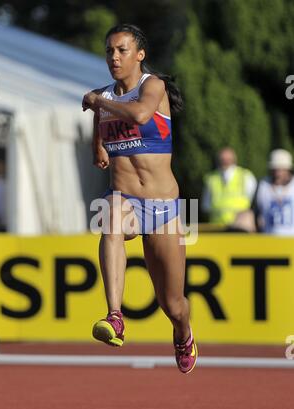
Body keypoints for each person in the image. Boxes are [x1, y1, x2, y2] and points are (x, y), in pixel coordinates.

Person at [82, 24, 197, 374]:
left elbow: (141, 115)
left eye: (121, 50)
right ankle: (115, 317)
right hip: (125, 199)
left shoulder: (153, 87)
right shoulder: (104, 98)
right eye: (109, 51)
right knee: (110, 219)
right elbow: (98, 145)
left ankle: (183, 332)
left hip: (164, 207)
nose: (113, 57)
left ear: (139, 55)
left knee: (172, 303)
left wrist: (98, 101)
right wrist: (100, 148)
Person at [201, 147, 257, 229]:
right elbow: (206, 206)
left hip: (239, 227)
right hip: (217, 226)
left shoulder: (246, 176)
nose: (225, 162)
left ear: (234, 160)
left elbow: (253, 201)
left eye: (228, 159)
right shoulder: (211, 178)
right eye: (222, 159)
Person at [254, 149, 294, 235]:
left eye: (281, 169)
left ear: (288, 169)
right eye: (275, 169)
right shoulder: (262, 185)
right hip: (269, 241)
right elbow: (254, 213)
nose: (277, 173)